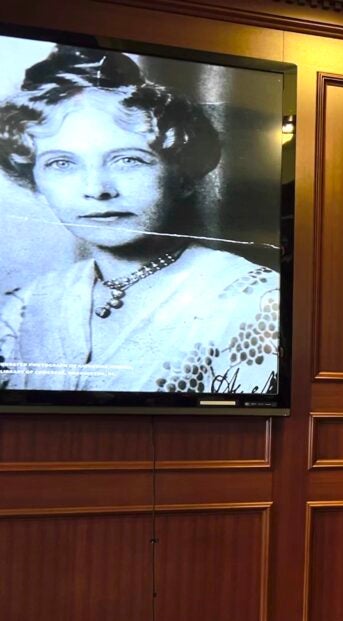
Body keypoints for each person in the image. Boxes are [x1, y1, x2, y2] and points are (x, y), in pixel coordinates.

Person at [0, 45, 280, 393]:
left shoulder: (255, 302)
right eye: (62, 163)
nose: (97, 189)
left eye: (128, 160)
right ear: (36, 182)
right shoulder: (25, 306)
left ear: (182, 176)